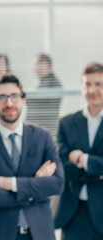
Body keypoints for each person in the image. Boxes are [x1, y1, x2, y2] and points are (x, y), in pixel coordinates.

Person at [0, 75, 64, 240]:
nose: (9, 103)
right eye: (1, 98)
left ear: (24, 100)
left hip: (40, 233)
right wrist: (33, 189)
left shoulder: (42, 137)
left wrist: (11, 184)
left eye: (14, 96)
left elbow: (57, 183)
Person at [54, 62, 103, 240]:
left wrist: (83, 160)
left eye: (98, 84)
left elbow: (73, 165)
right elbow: (62, 167)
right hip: (72, 213)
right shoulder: (66, 123)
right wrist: (98, 171)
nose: (92, 89)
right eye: (87, 84)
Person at [26, 53, 62, 140]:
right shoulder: (46, 81)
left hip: (44, 128)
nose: (34, 69)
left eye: (36, 65)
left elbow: (39, 103)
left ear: (45, 64)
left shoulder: (51, 83)